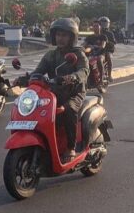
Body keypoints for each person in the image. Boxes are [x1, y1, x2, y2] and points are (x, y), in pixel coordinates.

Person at [16, 18, 89, 163]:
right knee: (38, 109)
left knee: (68, 109)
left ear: (72, 37)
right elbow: (38, 72)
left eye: (64, 35)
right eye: (58, 35)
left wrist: (73, 77)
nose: (60, 38)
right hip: (54, 92)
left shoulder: (78, 54)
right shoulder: (51, 55)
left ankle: (70, 147)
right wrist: (23, 80)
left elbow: (84, 71)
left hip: (74, 92)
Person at [97, 17, 116, 81]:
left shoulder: (110, 33)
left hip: (108, 50)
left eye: (105, 23)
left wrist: (107, 42)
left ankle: (109, 75)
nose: (103, 25)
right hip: (98, 50)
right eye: (102, 23)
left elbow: (113, 42)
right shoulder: (97, 33)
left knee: (108, 56)